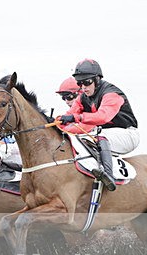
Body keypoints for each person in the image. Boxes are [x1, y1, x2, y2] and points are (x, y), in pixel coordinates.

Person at [58, 58, 139, 191]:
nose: (83, 87)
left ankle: (108, 175)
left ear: (97, 79)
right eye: (79, 83)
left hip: (127, 134)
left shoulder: (111, 94)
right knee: (77, 139)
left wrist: (76, 117)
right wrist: (55, 124)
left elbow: (103, 116)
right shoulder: (83, 97)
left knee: (98, 136)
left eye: (87, 82)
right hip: (105, 134)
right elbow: (69, 116)